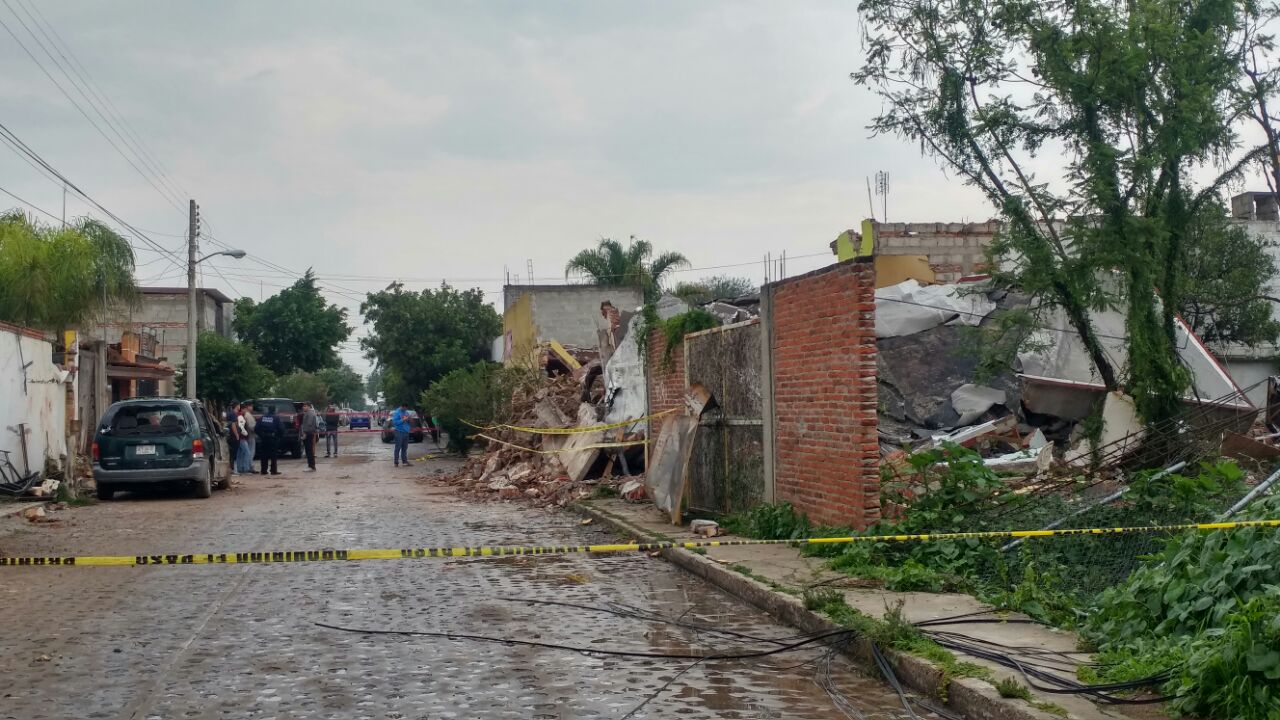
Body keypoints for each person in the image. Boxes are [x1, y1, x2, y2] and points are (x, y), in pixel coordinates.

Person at [256, 405, 282, 476]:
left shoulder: (262, 417)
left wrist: (261, 435)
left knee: (264, 455)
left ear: (268, 410)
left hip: (264, 439)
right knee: (273, 455)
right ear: (274, 410)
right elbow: (281, 429)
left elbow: (256, 428)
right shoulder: (276, 418)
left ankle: (263, 470)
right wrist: (279, 436)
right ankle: (273, 470)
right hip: (273, 438)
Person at [390, 402, 412, 467]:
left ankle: (404, 462)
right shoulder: (397, 413)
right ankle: (396, 462)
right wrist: (403, 420)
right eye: (404, 408)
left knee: (405, 448)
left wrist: (409, 419)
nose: (405, 410)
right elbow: (395, 423)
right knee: (398, 447)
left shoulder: (406, 412)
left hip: (406, 432)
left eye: (406, 409)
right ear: (402, 407)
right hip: (399, 432)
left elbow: (409, 421)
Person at [300, 402, 319, 472]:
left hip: (309, 434)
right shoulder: (307, 413)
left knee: (309, 451)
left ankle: (311, 466)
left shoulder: (310, 414)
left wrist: (305, 433)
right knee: (308, 450)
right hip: (308, 433)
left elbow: (309, 424)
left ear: (309, 407)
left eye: (305, 406)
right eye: (303, 406)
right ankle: (310, 465)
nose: (303, 407)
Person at [235, 408, 253, 474]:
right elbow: (242, 428)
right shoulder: (241, 417)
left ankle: (240, 469)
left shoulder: (237, 417)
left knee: (239, 454)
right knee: (247, 453)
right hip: (242, 438)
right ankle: (246, 469)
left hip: (239, 438)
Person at [241, 402, 257, 473]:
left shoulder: (246, 415)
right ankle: (249, 466)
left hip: (247, 435)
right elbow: (251, 426)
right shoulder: (248, 415)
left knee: (247, 452)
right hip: (250, 435)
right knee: (250, 451)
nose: (252, 408)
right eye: (251, 406)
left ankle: (246, 466)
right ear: (248, 407)